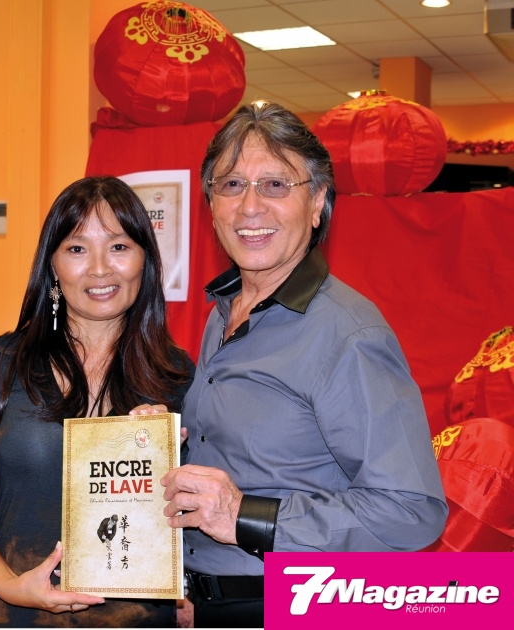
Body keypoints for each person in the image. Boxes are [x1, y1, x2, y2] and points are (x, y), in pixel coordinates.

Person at [160, 102, 449, 628]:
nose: (250, 207)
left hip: (294, 606)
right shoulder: (224, 311)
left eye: (275, 185)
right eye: (231, 185)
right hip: (211, 606)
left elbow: (411, 509)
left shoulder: (347, 334)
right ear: (211, 204)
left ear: (317, 202)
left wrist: (243, 515)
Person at [0, 176, 194, 628]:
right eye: (77, 249)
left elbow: (194, 512)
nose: (99, 269)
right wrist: (11, 585)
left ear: (145, 260)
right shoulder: (0, 364)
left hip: (140, 619)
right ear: (52, 264)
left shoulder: (176, 375)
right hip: (19, 617)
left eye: (119, 246)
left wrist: (166, 456)